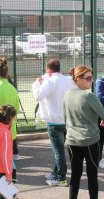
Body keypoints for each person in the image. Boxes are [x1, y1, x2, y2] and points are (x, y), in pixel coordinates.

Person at [61, 65, 104, 199]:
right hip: (90, 141)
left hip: (72, 140)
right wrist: (103, 120)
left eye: (91, 77)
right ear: (78, 79)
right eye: (88, 78)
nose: (91, 81)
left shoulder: (67, 95)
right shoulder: (88, 96)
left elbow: (65, 118)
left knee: (75, 175)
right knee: (92, 175)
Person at [32, 58, 75, 186]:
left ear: (48, 69)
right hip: (66, 120)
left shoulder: (50, 81)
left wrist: (37, 83)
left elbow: (37, 96)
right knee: (61, 150)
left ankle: (61, 178)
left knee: (59, 151)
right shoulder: (68, 80)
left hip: (54, 123)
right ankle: (56, 173)